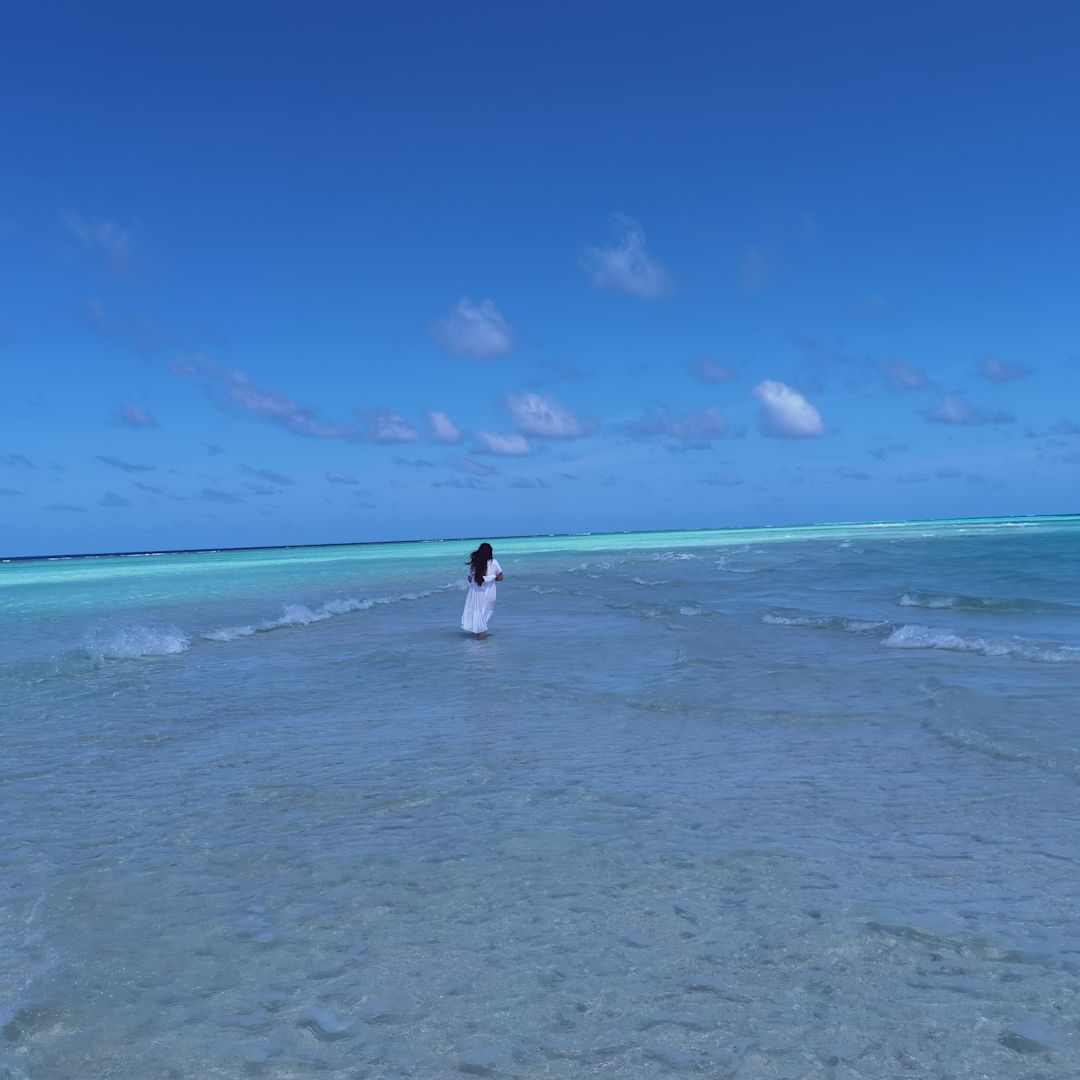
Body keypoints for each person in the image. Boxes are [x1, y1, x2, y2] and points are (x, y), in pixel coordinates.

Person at [461, 542, 504, 640]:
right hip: (489, 593)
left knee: (478, 615)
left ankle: (479, 642)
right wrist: (491, 578)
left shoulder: (475, 564)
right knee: (485, 616)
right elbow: (500, 578)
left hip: (476, 594)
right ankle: (481, 642)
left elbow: (469, 578)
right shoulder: (494, 562)